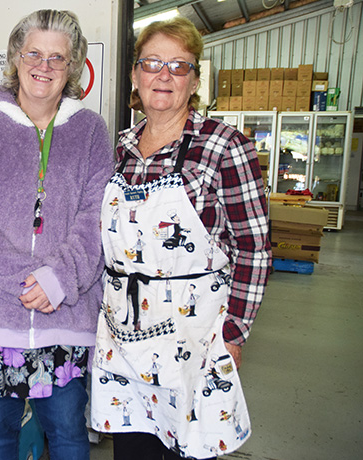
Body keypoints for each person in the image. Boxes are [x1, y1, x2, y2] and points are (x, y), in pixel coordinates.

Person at [90, 17, 271, 460]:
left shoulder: (225, 146)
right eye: (152, 63)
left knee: (188, 450)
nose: (164, 75)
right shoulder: (119, 149)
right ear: (135, 76)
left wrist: (233, 333)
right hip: (123, 334)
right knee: (132, 449)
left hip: (194, 337)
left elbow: (253, 248)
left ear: (194, 81)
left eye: (179, 65)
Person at [0, 9, 114, 460]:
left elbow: (97, 217)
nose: (44, 66)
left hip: (65, 319)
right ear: (15, 58)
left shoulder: (92, 132)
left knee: (68, 436)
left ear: (72, 66)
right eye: (34, 54)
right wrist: (28, 280)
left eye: (57, 57)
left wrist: (58, 280)